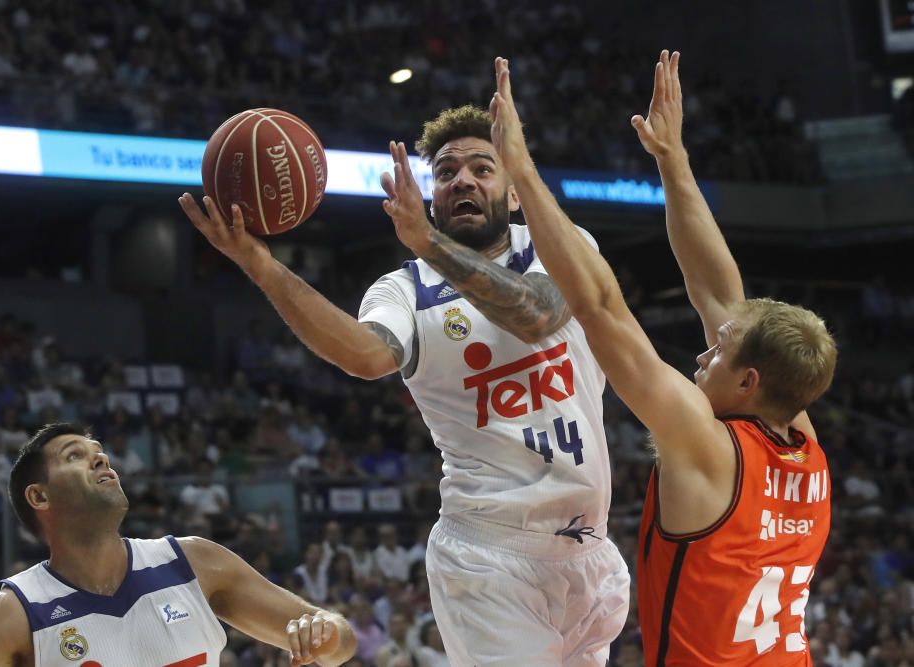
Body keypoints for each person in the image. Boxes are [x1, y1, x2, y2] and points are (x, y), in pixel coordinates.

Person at [180, 63, 629, 667]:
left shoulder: (560, 245)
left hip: (589, 548)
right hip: (489, 557)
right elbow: (366, 356)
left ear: (516, 190)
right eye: (445, 173)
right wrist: (262, 266)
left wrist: (430, 243)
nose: (461, 180)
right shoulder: (403, 289)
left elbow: (538, 314)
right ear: (429, 195)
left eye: (480, 168)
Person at [496, 50, 836, 664]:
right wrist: (673, 163)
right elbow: (719, 293)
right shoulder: (804, 445)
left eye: (719, 351)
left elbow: (599, 306)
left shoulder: (707, 444)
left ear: (750, 381)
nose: (705, 353)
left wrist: (520, 168)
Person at [0, 423, 357, 666]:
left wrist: (327, 632)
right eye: (74, 456)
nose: (101, 460)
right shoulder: (7, 618)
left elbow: (341, 645)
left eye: (100, 453)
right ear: (40, 498)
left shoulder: (194, 562)